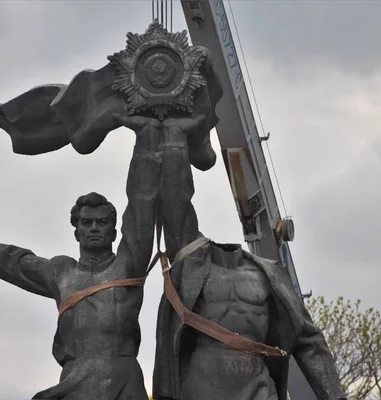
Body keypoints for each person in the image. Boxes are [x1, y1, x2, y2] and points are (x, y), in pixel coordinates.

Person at [0, 115, 164, 400]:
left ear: (114, 231)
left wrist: (147, 143)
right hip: (76, 378)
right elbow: (16, 261)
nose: (93, 228)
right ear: (76, 232)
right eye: (87, 223)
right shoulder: (62, 272)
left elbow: (141, 201)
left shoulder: (128, 264)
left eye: (101, 223)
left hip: (124, 378)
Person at [149, 115, 348, 400]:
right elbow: (176, 202)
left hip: (257, 385)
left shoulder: (270, 274)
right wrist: (174, 139)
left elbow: (309, 340)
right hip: (203, 386)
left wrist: (335, 396)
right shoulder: (194, 264)